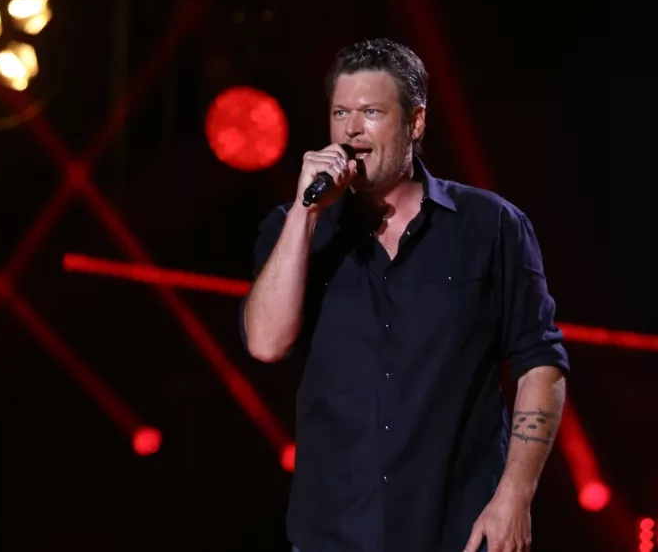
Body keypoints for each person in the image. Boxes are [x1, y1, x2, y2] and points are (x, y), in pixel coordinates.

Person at [239, 38, 570, 552]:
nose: (351, 129)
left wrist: (514, 498)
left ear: (415, 123)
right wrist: (306, 216)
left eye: (371, 112)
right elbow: (264, 343)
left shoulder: (492, 227)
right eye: (340, 113)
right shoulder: (294, 230)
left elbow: (540, 365)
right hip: (334, 534)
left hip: (458, 531)